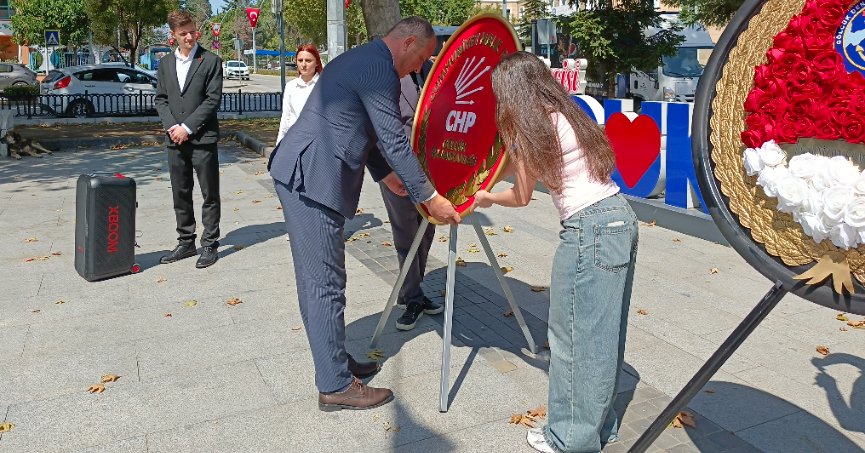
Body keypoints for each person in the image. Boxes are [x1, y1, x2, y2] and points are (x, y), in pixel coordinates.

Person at [268, 16, 460, 412]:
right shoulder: (380, 70)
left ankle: (334, 364)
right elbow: (392, 139)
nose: (421, 67)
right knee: (324, 283)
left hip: (307, 172)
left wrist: (387, 176)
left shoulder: (364, 58)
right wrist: (431, 195)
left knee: (319, 281)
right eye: (423, 57)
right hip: (312, 178)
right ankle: (336, 385)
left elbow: (363, 130)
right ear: (408, 43)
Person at [473, 51, 639, 453]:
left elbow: (522, 194)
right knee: (602, 337)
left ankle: (569, 439)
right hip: (620, 217)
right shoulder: (565, 114)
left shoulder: (527, 127)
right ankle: (598, 429)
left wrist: (486, 197)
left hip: (588, 230)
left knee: (571, 338)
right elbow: (525, 169)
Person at [154, 9, 223, 269]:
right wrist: (173, 126)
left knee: (209, 193)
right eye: (183, 34)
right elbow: (161, 99)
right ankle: (186, 241)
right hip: (175, 139)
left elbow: (212, 99)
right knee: (180, 192)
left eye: (192, 31)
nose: (190, 37)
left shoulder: (211, 61)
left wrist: (188, 127)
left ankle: (209, 244)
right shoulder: (165, 64)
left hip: (202, 138)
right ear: (173, 35)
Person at [381, 58, 443, 331]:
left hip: (430, 173)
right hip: (398, 174)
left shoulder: (435, 74)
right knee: (406, 235)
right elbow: (379, 130)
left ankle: (414, 290)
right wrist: (388, 172)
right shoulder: (389, 79)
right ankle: (412, 298)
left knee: (426, 232)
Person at [276, 44, 322, 145]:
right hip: (294, 142)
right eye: (300, 60)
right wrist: (279, 146)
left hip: (317, 144)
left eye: (308, 61)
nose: (304, 64)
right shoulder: (291, 87)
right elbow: (285, 119)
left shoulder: (324, 86)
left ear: (317, 63)